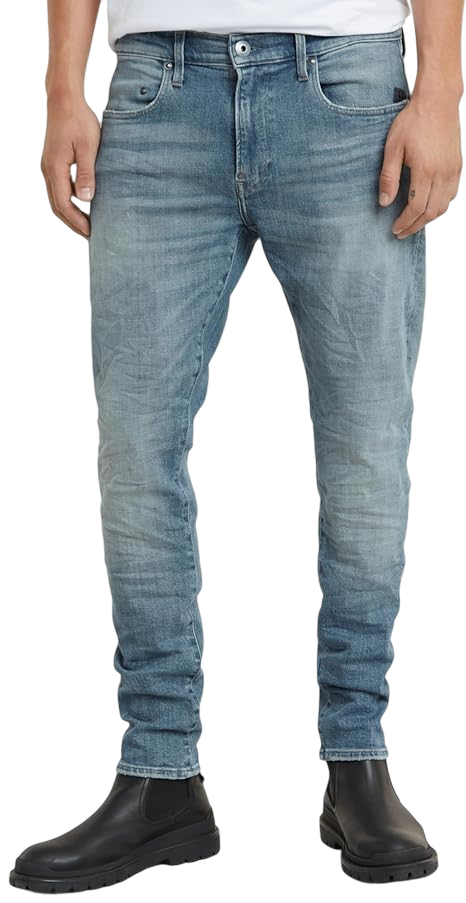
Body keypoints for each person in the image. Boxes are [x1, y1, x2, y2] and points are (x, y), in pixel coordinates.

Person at [10, 0, 463, 892]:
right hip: (153, 97)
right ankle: (158, 772)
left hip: (348, 90)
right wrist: (64, 88)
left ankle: (358, 760)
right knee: (135, 454)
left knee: (366, 448)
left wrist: (440, 88)